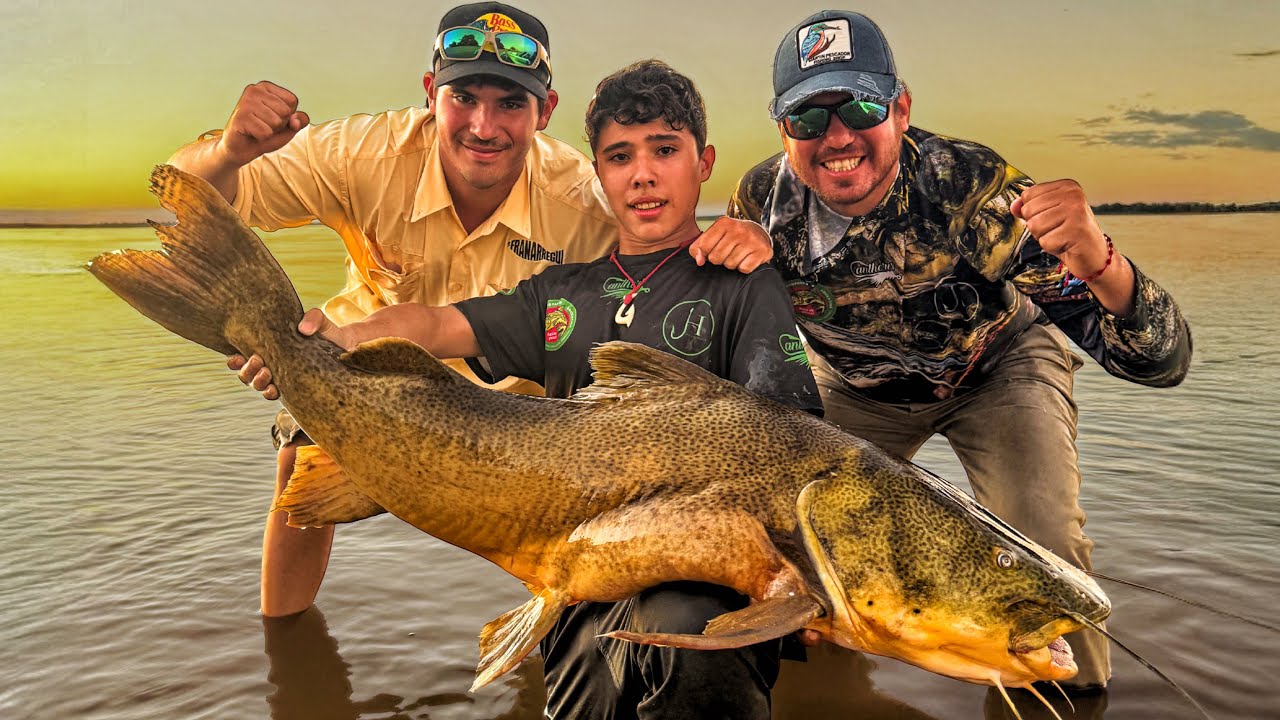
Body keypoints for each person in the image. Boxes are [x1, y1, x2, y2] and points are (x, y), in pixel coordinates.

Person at [237, 59, 821, 719]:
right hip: (579, 579)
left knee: (688, 634)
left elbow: (795, 441)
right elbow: (435, 323)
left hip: (705, 582)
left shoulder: (745, 283)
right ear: (598, 175)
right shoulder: (559, 292)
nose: (644, 174)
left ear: (703, 160)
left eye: (665, 150)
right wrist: (335, 339)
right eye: (620, 157)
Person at [167, 2, 773, 619]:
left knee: (566, 509)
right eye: (465, 97)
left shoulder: (584, 200)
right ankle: (283, 650)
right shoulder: (362, 153)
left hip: (519, 398)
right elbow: (193, 198)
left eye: (511, 103)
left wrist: (745, 239)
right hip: (361, 354)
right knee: (300, 463)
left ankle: (556, 638)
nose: (484, 127)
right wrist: (231, 154)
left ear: (545, 110)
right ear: (432, 93)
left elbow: (665, 251)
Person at [728, 10, 1193, 695]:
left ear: (901, 107)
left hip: (998, 369)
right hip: (856, 387)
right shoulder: (760, 203)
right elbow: (742, 353)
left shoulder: (973, 190)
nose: (837, 137)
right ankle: (823, 690)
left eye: (860, 106)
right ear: (783, 132)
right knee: (788, 545)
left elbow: (1157, 364)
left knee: (1042, 546)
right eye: (808, 120)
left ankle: (1072, 698)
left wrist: (1102, 262)